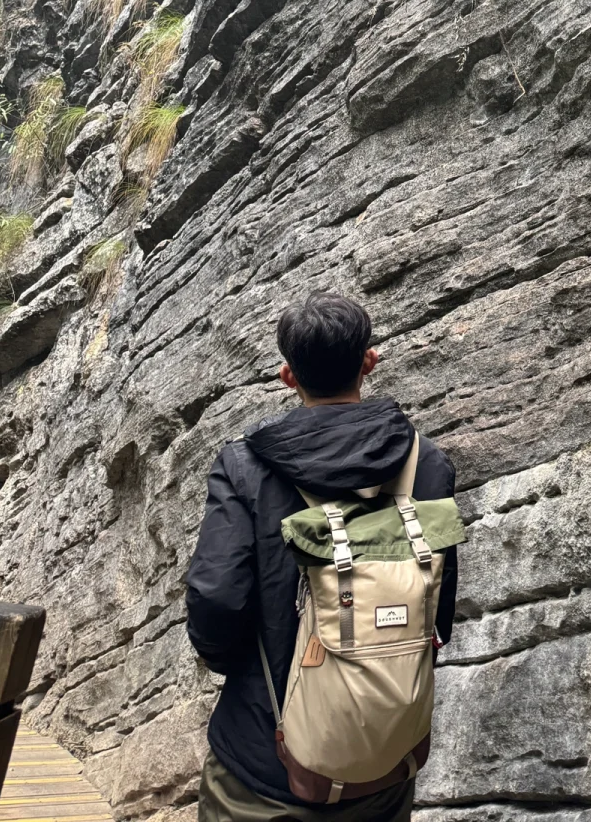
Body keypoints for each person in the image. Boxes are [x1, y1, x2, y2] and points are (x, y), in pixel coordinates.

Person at [186, 293, 457, 822]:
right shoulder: (427, 464)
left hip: (264, 764)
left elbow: (216, 597)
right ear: (369, 361)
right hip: (386, 756)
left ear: (289, 376)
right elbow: (436, 607)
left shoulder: (245, 466)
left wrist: (246, 676)